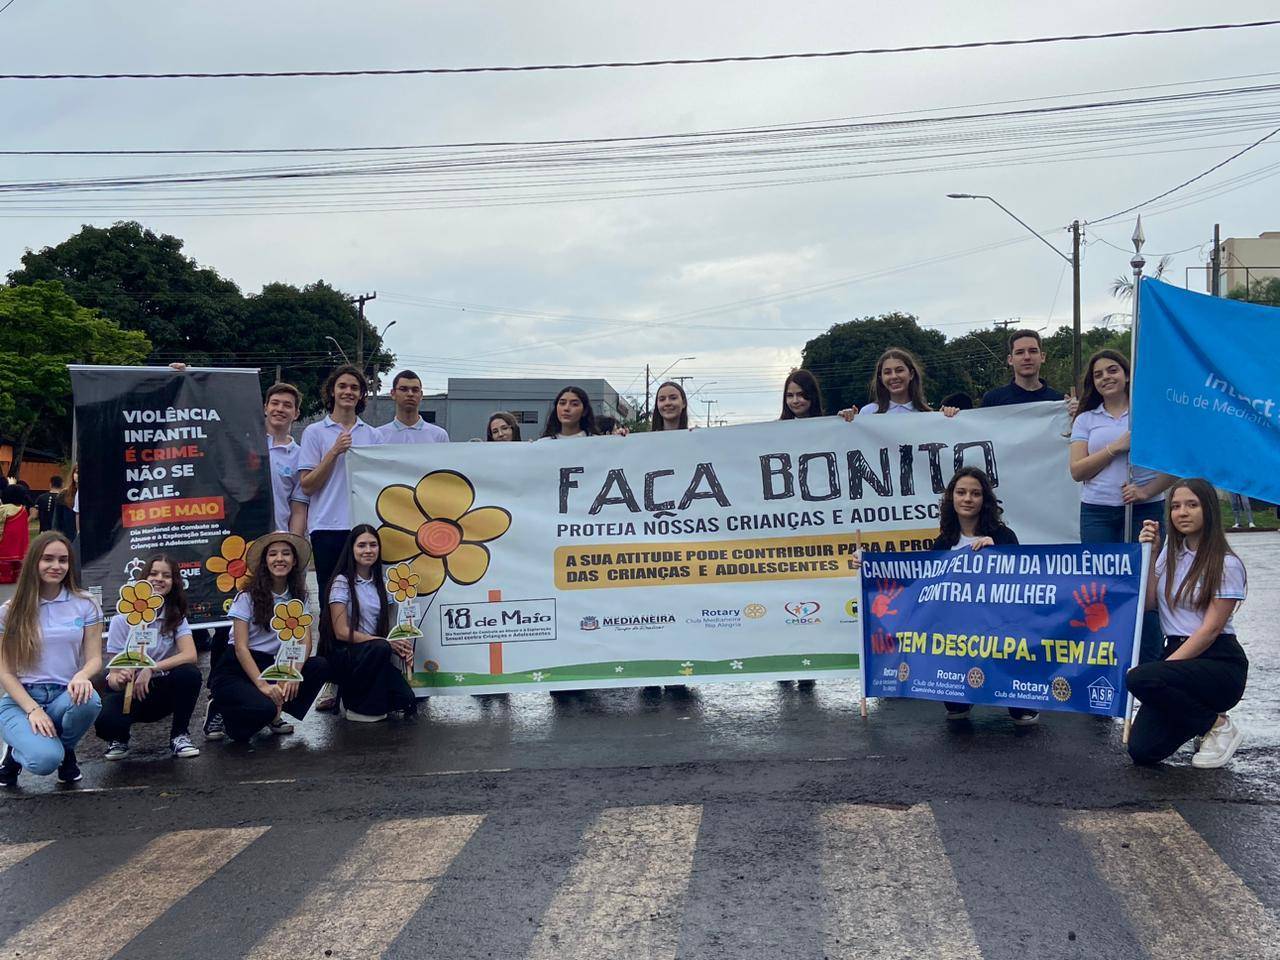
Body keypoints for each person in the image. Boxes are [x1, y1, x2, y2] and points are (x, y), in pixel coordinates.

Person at [1127, 479, 1249, 768]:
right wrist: (1151, 554)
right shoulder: (1170, 556)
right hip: (1177, 654)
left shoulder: (1226, 563)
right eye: (1176, 506)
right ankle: (1201, 720)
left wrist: (1163, 670)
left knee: (1139, 677)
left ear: (1209, 510)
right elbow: (1149, 604)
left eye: (1192, 505)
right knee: (1142, 751)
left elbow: (1210, 631)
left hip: (1217, 660)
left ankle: (1217, 726)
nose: (1182, 512)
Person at [930, 467, 1036, 725]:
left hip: (1000, 628)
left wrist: (997, 552)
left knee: (1023, 714)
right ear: (952, 498)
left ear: (984, 500)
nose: (968, 499)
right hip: (960, 632)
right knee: (955, 709)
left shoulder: (1003, 536)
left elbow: (1022, 583)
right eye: (961, 492)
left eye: (975, 493)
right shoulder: (943, 542)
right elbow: (920, 584)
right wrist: (867, 564)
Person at [0, 532, 103, 785]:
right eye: (48, 559)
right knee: (44, 761)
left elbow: (94, 659)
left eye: (63, 560)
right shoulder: (10, 611)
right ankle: (16, 752)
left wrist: (82, 675)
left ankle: (64, 750)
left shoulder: (86, 604)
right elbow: (5, 672)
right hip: (22, 699)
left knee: (90, 700)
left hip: (65, 694)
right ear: (34, 562)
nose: (56, 566)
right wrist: (33, 710)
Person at [208, 532, 330, 744]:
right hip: (240, 667)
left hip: (276, 663)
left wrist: (293, 674)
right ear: (265, 561)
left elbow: (306, 642)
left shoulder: (299, 595)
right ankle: (221, 707)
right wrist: (263, 685)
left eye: (286, 554)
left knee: (319, 666)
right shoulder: (246, 596)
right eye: (273, 554)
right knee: (243, 733)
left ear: (294, 561)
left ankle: (274, 712)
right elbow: (240, 648)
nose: (279, 559)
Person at [95, 554, 202, 760]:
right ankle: (119, 737)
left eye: (166, 575)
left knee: (189, 674)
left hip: (161, 688)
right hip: (129, 691)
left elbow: (190, 655)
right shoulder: (121, 620)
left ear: (174, 582)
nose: (159, 579)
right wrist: (121, 678)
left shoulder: (175, 616)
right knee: (107, 724)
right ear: (143, 578)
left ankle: (179, 735)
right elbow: (113, 676)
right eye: (153, 573)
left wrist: (150, 668)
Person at [1069, 349, 1173, 543]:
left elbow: (1177, 466)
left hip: (1145, 509)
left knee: (1147, 562)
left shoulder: (1151, 416)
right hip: (1097, 512)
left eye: (1112, 370)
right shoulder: (1085, 419)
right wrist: (1114, 448)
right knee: (1099, 564)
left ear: (1126, 375)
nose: (1105, 377)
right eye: (1098, 375)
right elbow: (1077, 471)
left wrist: (1145, 492)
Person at [298, 364, 383, 600]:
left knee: (365, 596)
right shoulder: (314, 432)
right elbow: (307, 485)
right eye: (342, 386)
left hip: (364, 527)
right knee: (331, 596)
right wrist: (334, 451)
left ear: (362, 394)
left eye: (354, 388)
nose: (348, 392)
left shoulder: (374, 435)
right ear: (332, 391)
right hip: (327, 526)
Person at [321, 524, 416, 722]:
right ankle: (354, 706)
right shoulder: (342, 582)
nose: (368, 550)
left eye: (373, 545)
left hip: (376, 651)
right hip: (348, 652)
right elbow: (340, 631)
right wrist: (384, 643)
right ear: (351, 549)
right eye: (361, 545)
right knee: (380, 647)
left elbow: (389, 628)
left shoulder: (382, 583)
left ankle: (368, 699)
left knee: (406, 700)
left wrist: (400, 644)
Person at [841, 349, 958, 420]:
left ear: (911, 374)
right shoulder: (867, 413)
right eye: (887, 372)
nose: (894, 376)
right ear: (881, 378)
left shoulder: (928, 415)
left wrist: (950, 417)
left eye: (899, 370)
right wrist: (844, 421)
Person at [980, 330, 1065, 406]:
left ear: (1042, 357)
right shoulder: (992, 400)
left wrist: (1072, 414)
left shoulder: (1059, 401)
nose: (1027, 357)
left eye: (1033, 351)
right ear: (1010, 360)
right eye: (1020, 352)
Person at [376, 370, 449, 444]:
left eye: (415, 390)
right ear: (393, 394)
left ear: (421, 395)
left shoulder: (439, 436)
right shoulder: (378, 436)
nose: (410, 394)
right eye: (403, 389)